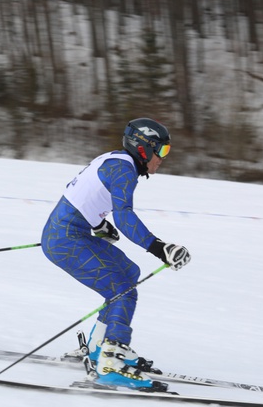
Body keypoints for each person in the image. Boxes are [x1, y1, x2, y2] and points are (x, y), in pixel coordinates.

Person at [41, 118, 191, 391]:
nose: (163, 159)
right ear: (145, 148)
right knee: (123, 290)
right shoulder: (124, 171)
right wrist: (161, 248)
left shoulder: (116, 160)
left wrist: (98, 224)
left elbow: (83, 192)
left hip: (70, 234)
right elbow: (124, 217)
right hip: (66, 239)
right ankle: (112, 363)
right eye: (163, 151)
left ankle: (100, 348)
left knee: (129, 274)